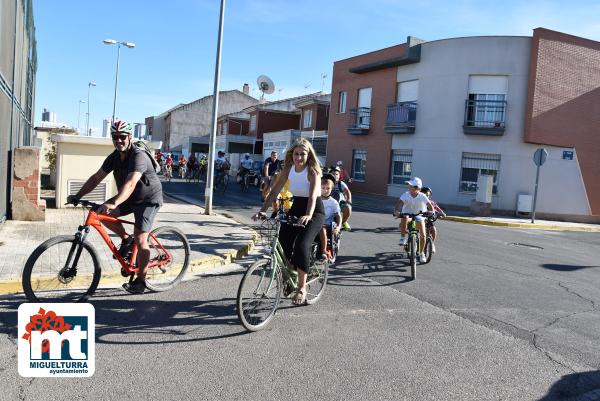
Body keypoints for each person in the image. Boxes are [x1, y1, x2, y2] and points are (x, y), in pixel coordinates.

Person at [67, 120, 163, 294]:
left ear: (130, 137)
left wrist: (115, 202)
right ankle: (126, 240)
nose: (119, 140)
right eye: (115, 137)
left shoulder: (138, 156)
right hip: (129, 197)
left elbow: (132, 182)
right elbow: (96, 178)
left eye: (122, 137)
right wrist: (78, 196)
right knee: (100, 213)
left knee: (141, 238)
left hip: (148, 199)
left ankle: (141, 281)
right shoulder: (114, 157)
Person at [252, 138, 324, 306]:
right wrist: (263, 210)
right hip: (296, 209)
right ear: (292, 154)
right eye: (296, 154)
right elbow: (274, 190)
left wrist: (308, 215)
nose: (299, 157)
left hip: (314, 211)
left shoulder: (312, 170)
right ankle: (292, 273)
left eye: (303, 154)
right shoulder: (289, 168)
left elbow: (313, 196)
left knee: (301, 245)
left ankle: (301, 288)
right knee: (283, 243)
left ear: (308, 155)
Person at [393, 177, 435, 263]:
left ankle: (421, 253)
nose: (408, 187)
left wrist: (432, 212)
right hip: (408, 215)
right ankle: (403, 237)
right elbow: (399, 203)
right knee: (405, 217)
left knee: (423, 235)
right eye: (409, 185)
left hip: (420, 216)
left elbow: (430, 205)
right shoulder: (405, 194)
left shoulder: (422, 196)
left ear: (417, 188)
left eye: (411, 186)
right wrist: (397, 211)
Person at [318, 172, 341, 261]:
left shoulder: (333, 202)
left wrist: (338, 227)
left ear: (331, 189)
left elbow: (338, 215)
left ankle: (324, 251)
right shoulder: (317, 199)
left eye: (328, 188)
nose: (325, 190)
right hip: (317, 221)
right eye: (323, 188)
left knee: (322, 227)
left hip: (328, 224)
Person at [421, 186, 446, 253]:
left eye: (428, 195)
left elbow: (436, 208)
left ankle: (432, 243)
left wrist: (441, 213)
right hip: (421, 219)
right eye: (425, 194)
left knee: (433, 230)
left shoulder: (431, 202)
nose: (427, 196)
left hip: (429, 219)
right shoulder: (420, 201)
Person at [330, 165, 353, 231]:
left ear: (339, 175)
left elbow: (347, 191)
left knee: (348, 208)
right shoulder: (327, 182)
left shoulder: (341, 184)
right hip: (329, 202)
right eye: (333, 174)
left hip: (340, 203)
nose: (335, 175)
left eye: (336, 174)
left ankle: (342, 222)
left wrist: (349, 199)